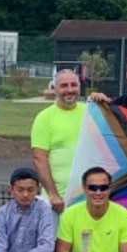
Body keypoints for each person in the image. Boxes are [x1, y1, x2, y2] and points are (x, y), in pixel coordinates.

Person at [31, 69, 83, 214]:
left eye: (74, 85)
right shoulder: (44, 118)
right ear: (54, 89)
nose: (69, 90)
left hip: (86, 199)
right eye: (64, 86)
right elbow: (39, 158)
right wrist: (53, 194)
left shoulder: (91, 113)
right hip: (56, 203)